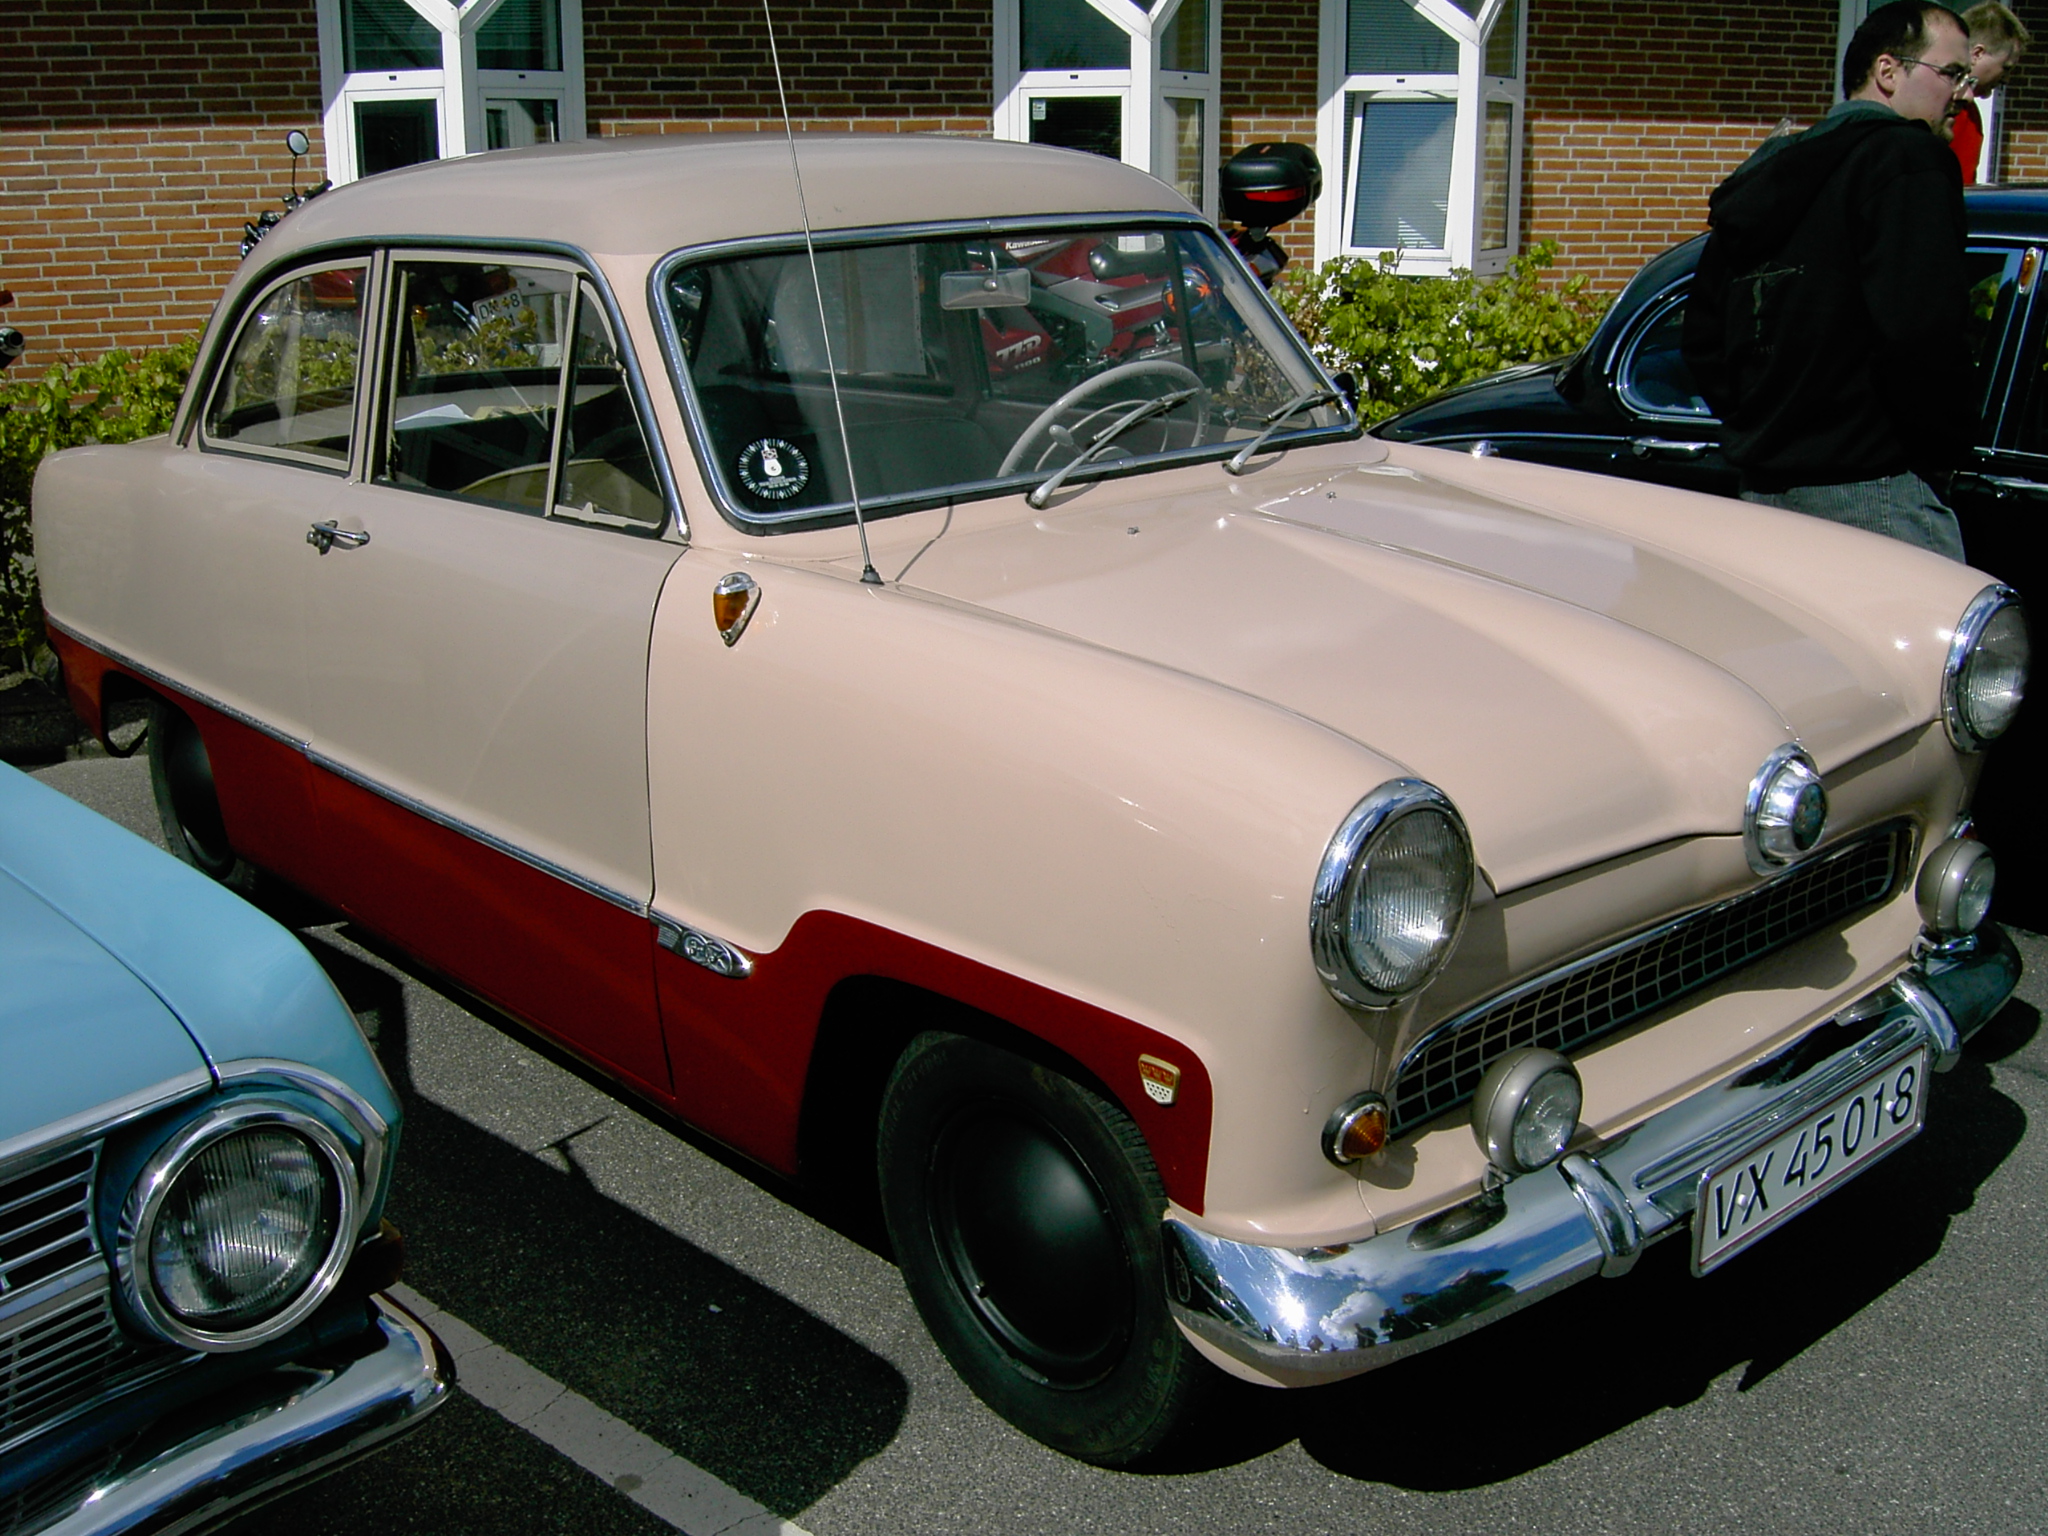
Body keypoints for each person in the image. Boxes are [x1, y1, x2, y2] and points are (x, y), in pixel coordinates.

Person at [1681, 2, 1975, 561]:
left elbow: (1702, 337)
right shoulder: (1907, 159)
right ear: (1888, 71)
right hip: (1875, 493)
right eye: (1952, 73)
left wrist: (1764, 422)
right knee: (1941, 620)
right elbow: (1923, 333)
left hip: (1761, 496)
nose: (1964, 94)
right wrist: (1944, 445)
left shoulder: (1770, 174)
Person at [1950, 4, 2031, 183]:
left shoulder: (1968, 112)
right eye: (2005, 68)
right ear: (1977, 54)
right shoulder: (1954, 111)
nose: (2006, 79)